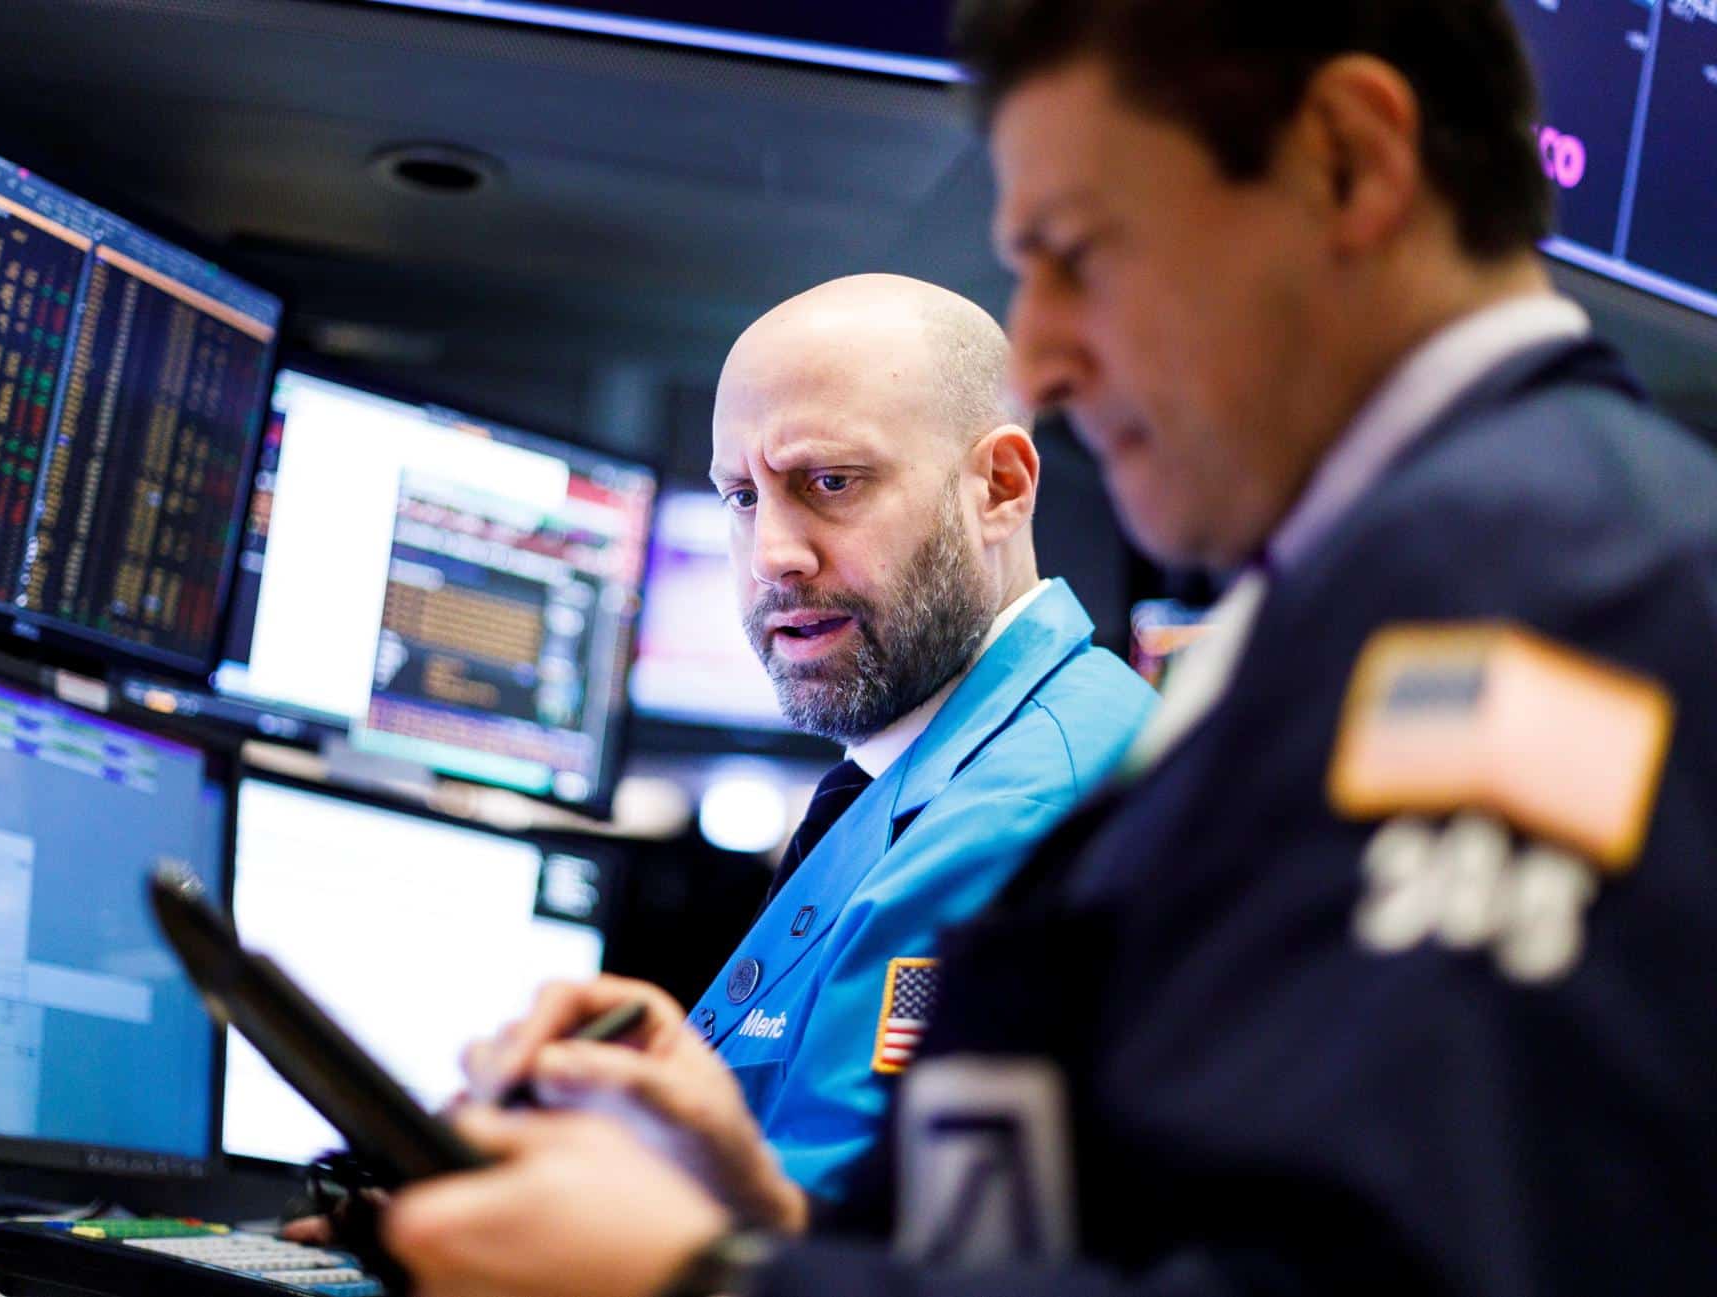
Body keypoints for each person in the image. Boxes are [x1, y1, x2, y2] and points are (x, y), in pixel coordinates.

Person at [377, 2, 1717, 1294]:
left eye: (1079, 253)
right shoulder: (1365, 603)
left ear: (1346, 163)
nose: (1053, 358)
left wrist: (695, 1285)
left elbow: (1386, 1268)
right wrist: (758, 1203)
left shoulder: (1535, 593)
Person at [473, 272, 1153, 1212]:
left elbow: (840, 1255)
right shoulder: (929, 765)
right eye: (742, 496)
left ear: (1000, 486)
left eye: (830, 483)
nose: (773, 555)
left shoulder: (1025, 809)